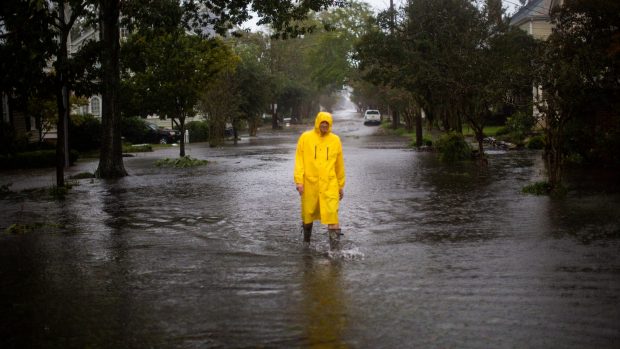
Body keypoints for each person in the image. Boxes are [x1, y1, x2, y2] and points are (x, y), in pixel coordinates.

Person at [294, 111, 345, 249]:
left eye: (327, 123)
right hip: (310, 184)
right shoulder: (305, 138)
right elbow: (299, 161)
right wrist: (299, 181)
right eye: (322, 122)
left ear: (330, 125)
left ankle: (335, 250)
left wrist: (340, 185)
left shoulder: (335, 140)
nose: (324, 125)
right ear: (317, 123)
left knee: (332, 214)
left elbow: (339, 164)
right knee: (308, 215)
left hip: (330, 185)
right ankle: (306, 242)